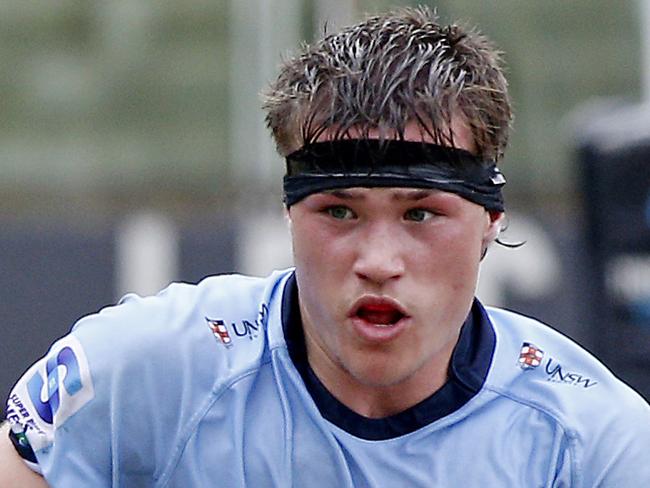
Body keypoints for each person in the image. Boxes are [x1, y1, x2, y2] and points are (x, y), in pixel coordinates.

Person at [2, 5, 649, 486]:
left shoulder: (593, 445)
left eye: (421, 214)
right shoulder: (147, 367)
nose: (377, 261)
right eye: (339, 210)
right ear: (289, 212)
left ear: (490, 222)